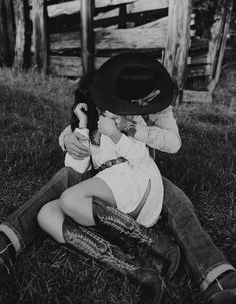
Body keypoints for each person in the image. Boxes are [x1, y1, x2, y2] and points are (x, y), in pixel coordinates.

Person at [0, 53, 236, 304]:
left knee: (179, 202)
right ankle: (7, 240)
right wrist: (67, 138)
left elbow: (173, 143)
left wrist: (131, 127)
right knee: (59, 189)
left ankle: (217, 276)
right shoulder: (107, 98)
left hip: (139, 170)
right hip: (104, 175)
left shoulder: (158, 102)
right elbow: (85, 125)